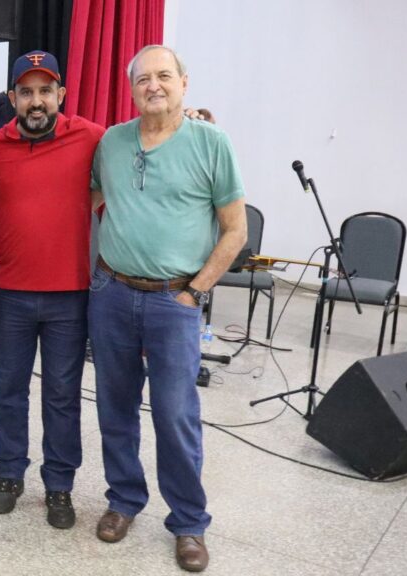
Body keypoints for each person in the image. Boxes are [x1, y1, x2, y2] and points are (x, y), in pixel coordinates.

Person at [88, 45, 247, 572]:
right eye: (142, 79)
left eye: (163, 76)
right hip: (112, 293)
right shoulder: (112, 142)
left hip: (175, 300)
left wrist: (194, 293)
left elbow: (235, 230)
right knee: (114, 407)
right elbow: (84, 198)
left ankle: (188, 522)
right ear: (131, 88)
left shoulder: (211, 142)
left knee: (176, 414)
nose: (153, 85)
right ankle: (123, 500)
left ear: (183, 82)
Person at [0, 51, 104, 529]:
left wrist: (188, 122)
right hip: (11, 294)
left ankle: (60, 485)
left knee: (62, 395)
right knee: (9, 392)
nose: (36, 101)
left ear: (60, 95)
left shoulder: (90, 136)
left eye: (45, 90)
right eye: (26, 92)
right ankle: (10, 476)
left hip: (70, 295)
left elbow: (137, 148)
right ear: (12, 98)